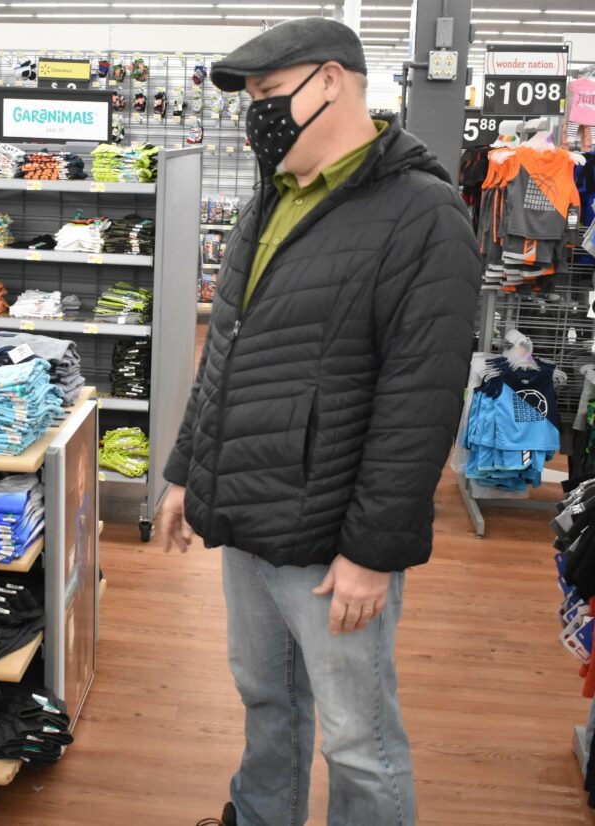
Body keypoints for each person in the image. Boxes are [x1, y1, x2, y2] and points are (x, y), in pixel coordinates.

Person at [163, 18, 483, 826]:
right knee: (266, 700)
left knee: (357, 742)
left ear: (332, 81)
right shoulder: (270, 202)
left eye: (270, 93)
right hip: (247, 515)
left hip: (333, 538)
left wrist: (372, 554)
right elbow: (225, 356)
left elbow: (421, 403)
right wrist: (180, 472)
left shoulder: (424, 215)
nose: (257, 113)